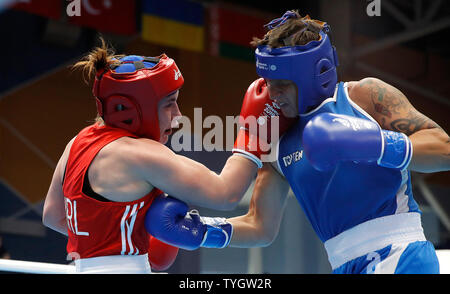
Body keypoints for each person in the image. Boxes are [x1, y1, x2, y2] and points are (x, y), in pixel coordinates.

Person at [146, 11, 450, 274]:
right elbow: (259, 226)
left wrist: (371, 143)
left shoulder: (363, 97)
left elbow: (444, 149)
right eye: (268, 84)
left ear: (312, 75)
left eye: (281, 86)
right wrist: (201, 230)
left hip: (401, 251)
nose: (272, 95)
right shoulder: (277, 140)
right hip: (344, 263)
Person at [41, 38, 293, 273]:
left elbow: (53, 215)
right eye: (169, 103)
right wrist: (254, 130)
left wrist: (120, 238)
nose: (178, 116)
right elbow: (226, 193)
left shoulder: (76, 143)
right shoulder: (138, 153)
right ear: (132, 109)